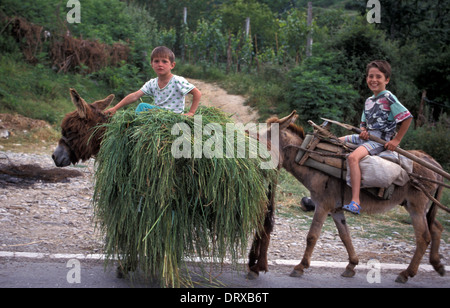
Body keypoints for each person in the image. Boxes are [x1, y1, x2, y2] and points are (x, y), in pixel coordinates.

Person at [340, 60, 413, 215]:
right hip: (368, 138)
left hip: (379, 140)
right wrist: (363, 131)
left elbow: (407, 118)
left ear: (386, 80)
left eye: (378, 76)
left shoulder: (388, 97)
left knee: (353, 158)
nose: (373, 80)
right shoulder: (368, 101)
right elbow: (363, 123)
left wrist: (396, 140)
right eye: (370, 76)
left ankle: (355, 201)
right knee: (336, 141)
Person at [106, 46, 201, 116]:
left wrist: (191, 112)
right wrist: (115, 108)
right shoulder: (152, 83)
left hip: (174, 116)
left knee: (142, 107)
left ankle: (135, 130)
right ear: (152, 64)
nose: (160, 64)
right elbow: (135, 96)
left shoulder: (177, 80)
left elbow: (197, 93)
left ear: (172, 65)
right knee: (143, 107)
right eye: (156, 61)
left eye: (164, 61)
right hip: (158, 115)